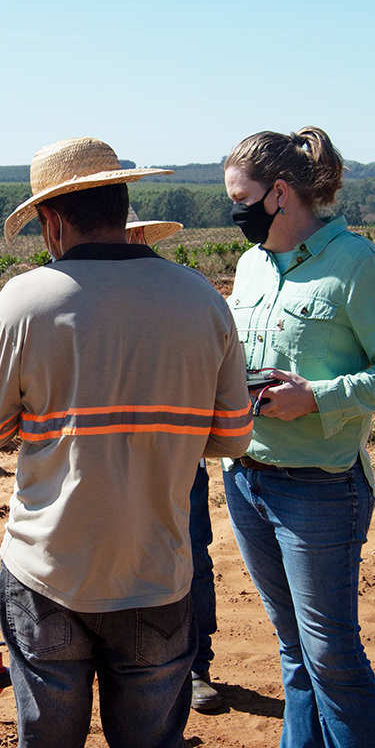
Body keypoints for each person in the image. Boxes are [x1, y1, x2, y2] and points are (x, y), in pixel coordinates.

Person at [0, 136, 253, 748]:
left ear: (54, 220)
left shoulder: (24, 301)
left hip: (49, 576)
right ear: (123, 207)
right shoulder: (202, 300)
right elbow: (234, 438)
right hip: (156, 574)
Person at [220, 126, 375, 748]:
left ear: (281, 193)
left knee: (333, 659)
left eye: (242, 199)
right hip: (248, 479)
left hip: (320, 489)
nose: (235, 214)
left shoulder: (355, 264)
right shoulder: (251, 266)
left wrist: (317, 398)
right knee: (295, 654)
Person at [126, 217, 225, 715]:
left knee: (189, 557)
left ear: (141, 237)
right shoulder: (87, 296)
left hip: (176, 458)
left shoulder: (187, 295)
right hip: (112, 461)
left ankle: (194, 665)